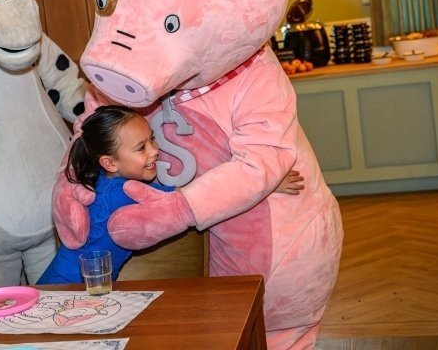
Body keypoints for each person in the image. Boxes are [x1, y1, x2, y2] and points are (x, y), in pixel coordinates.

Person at [37, 106, 304, 284]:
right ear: (110, 162)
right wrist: (263, 182)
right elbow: (200, 194)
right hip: (68, 291)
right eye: (141, 147)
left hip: (65, 286)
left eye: (152, 139)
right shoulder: (125, 193)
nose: (154, 150)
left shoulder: (101, 178)